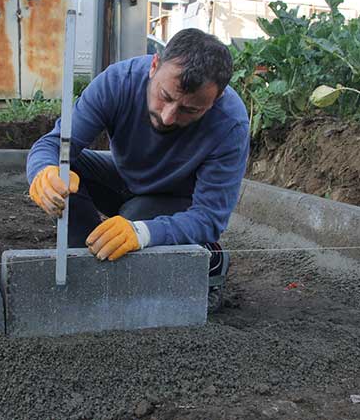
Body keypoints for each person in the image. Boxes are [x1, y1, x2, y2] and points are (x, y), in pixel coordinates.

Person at [26, 28, 250, 308]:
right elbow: (53, 145)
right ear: (154, 66)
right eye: (165, 96)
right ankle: (84, 261)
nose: (168, 117)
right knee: (66, 170)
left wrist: (143, 232)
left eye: (190, 110)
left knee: (135, 216)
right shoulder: (118, 82)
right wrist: (43, 172)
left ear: (215, 100)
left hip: (173, 200)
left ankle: (211, 259)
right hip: (123, 178)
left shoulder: (230, 124)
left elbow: (209, 218)